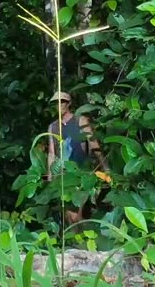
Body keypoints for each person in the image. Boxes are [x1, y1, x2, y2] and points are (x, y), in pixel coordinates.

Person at [45, 91, 106, 226]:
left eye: (62, 101)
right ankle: (76, 240)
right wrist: (50, 175)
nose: (59, 104)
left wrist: (105, 167)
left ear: (69, 103)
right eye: (56, 102)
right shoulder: (53, 126)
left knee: (77, 210)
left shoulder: (80, 120)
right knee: (68, 211)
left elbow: (93, 144)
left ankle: (81, 238)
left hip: (81, 171)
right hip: (63, 173)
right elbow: (51, 152)